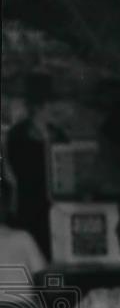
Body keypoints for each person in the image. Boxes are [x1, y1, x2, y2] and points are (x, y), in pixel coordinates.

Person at [5, 73, 68, 260]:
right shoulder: (18, 134)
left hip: (54, 203)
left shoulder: (57, 133)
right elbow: (15, 169)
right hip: (30, 202)